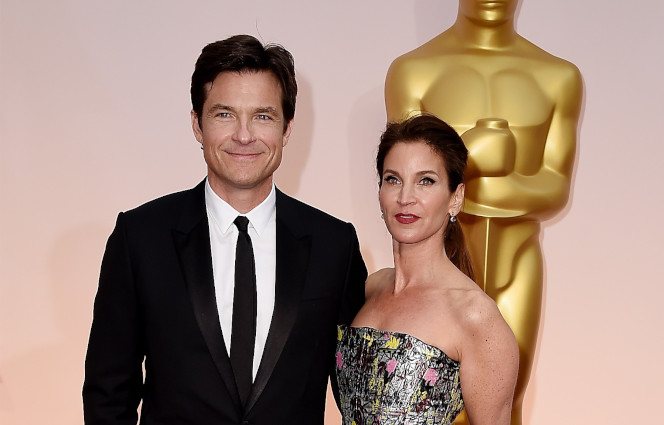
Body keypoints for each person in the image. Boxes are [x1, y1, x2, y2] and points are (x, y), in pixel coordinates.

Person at [83, 34, 367, 425]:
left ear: (286, 130)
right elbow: (107, 393)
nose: (244, 135)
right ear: (197, 125)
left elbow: (357, 392)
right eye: (224, 114)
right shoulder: (140, 238)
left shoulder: (334, 246)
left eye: (263, 116)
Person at [385, 1, 583, 422]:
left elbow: (555, 187)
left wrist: (472, 168)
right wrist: (482, 156)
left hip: (517, 262)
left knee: (507, 401)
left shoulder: (558, 77)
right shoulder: (414, 71)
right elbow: (408, 177)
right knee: (430, 404)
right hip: (438, 265)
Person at [335, 114, 519, 425]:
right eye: (393, 179)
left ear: (455, 197)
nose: (405, 198)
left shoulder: (476, 317)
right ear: (379, 191)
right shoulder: (372, 288)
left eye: (426, 181)